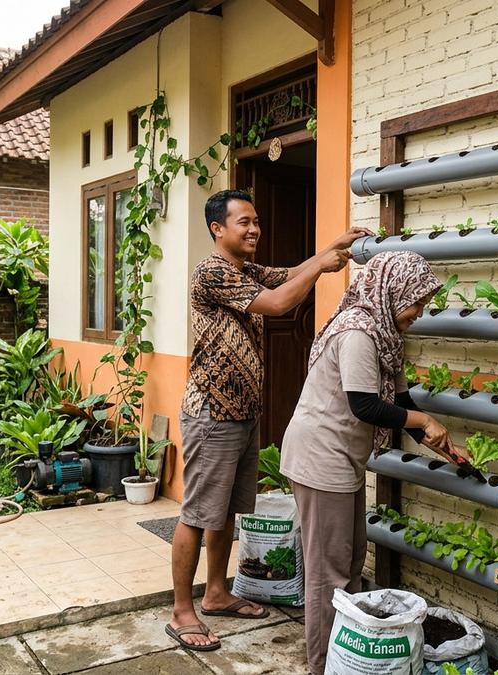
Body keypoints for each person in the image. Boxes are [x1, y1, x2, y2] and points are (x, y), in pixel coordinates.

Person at [166, 189, 371, 652]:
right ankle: (181, 610)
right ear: (217, 228)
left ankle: (216, 593)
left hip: (242, 412)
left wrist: (331, 249)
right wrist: (321, 267)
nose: (254, 229)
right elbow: (279, 303)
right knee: (198, 514)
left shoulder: (246, 270)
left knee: (225, 512)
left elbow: (288, 276)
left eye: (256, 221)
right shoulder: (213, 272)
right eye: (244, 222)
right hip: (212, 411)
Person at [279, 250, 466, 675]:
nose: (419, 312)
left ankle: (344, 659)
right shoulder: (359, 331)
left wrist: (441, 444)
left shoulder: (385, 335)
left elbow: (401, 402)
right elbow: (365, 405)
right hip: (320, 458)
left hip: (341, 459)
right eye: (416, 302)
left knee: (349, 560)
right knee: (329, 571)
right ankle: (323, 664)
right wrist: (425, 421)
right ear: (392, 290)